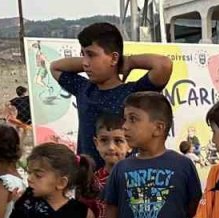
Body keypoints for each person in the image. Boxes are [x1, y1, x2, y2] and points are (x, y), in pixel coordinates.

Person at [48, 22, 173, 168]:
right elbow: (55, 67)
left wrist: (130, 61)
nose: (85, 63)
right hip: (88, 180)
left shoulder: (134, 94)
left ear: (114, 58)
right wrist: (88, 59)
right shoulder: (83, 88)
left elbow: (164, 65)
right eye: (83, 55)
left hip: (124, 178)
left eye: (91, 55)